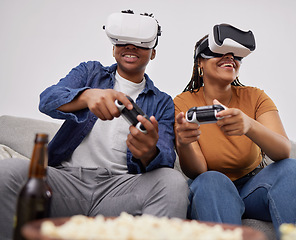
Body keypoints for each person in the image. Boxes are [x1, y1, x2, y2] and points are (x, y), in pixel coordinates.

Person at [0, 10, 188, 240]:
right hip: (65, 182)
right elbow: (47, 100)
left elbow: (166, 158)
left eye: (140, 43)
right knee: (7, 172)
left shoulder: (162, 102)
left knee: (173, 183)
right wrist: (87, 97)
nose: (130, 47)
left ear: (153, 53)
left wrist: (149, 151)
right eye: (123, 41)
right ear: (113, 48)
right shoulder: (90, 72)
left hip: (119, 190)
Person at [173, 23, 296, 239]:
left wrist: (250, 126)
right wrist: (183, 143)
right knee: (212, 181)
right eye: (218, 52)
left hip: (254, 188)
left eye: (235, 56)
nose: (229, 58)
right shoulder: (182, 103)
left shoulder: (256, 97)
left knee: (293, 169)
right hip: (212, 190)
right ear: (200, 62)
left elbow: (283, 151)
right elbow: (198, 170)